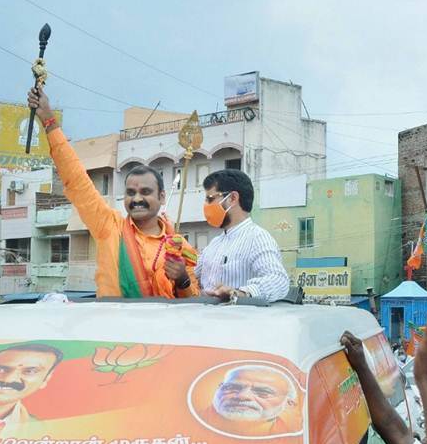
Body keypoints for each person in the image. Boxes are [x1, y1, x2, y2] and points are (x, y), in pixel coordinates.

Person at [28, 90, 198, 299]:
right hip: (112, 319)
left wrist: (183, 279)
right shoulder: (109, 227)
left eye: (145, 192)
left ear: (162, 197)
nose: (137, 199)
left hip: (161, 321)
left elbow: (196, 303)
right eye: (130, 193)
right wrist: (49, 121)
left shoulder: (179, 247)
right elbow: (76, 180)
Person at [195, 169, 291, 302]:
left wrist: (239, 294)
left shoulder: (257, 238)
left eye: (210, 199)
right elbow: (193, 277)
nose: (206, 205)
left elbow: (278, 280)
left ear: (232, 198)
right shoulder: (214, 244)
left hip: (238, 315)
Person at [197, 365, 301, 436]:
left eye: (262, 392)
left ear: (289, 403)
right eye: (232, 388)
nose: (242, 396)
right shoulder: (190, 425)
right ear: (218, 389)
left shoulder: (293, 441)